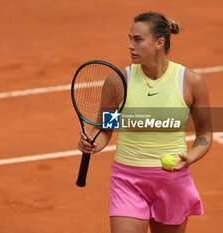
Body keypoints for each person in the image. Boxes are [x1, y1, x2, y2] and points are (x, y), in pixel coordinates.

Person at [78, 12, 213, 233]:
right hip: (127, 181)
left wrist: (192, 156)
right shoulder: (118, 82)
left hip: (171, 180)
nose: (131, 45)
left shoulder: (191, 82)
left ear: (160, 43)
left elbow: (205, 135)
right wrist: (93, 142)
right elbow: (105, 130)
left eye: (138, 39)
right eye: (130, 39)